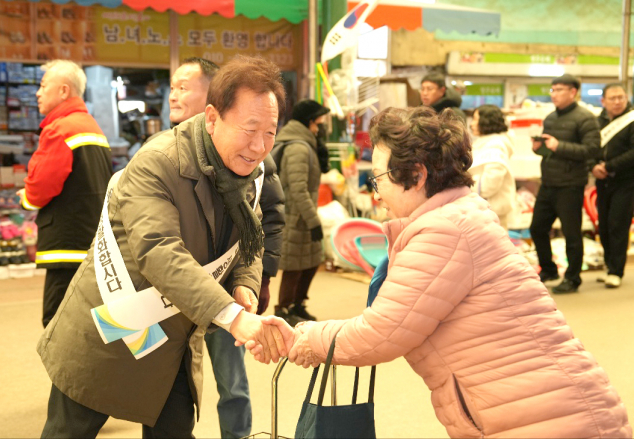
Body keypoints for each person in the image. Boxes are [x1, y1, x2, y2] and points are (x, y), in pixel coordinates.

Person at [266, 106, 631, 439]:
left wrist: (307, 338)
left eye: (379, 179)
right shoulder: (456, 216)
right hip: (539, 412)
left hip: (551, 420)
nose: (376, 194)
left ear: (416, 175)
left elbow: (381, 332)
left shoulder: (445, 231)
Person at [37, 55, 293, 439]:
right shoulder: (158, 162)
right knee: (68, 432)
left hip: (173, 340)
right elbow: (159, 251)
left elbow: (251, 237)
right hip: (111, 327)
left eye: (270, 132)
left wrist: (245, 283)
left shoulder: (249, 171)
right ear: (212, 118)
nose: (259, 147)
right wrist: (234, 317)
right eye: (249, 129)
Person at [153, 57, 285, 439]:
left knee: (232, 383)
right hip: (171, 300)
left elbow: (263, 222)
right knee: (166, 389)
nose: (174, 95)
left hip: (228, 293)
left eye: (184, 87)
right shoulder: (162, 156)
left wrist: (255, 279)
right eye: (172, 87)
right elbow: (157, 247)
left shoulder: (253, 156)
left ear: (212, 102)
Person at [17, 60, 113, 327]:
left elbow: (40, 188)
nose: (38, 93)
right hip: (91, 240)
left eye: (43, 86)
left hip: (66, 244)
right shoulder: (92, 126)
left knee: (56, 323)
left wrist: (25, 198)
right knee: (92, 321)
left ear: (63, 91)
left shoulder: (60, 129)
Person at [530, 74, 600, 294]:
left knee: (571, 234)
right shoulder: (550, 118)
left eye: (560, 90)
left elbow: (591, 150)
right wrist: (539, 148)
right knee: (537, 228)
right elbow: (549, 150)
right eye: (552, 90)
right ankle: (549, 269)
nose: (554, 94)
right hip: (548, 182)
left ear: (573, 92)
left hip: (570, 184)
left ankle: (573, 278)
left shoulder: (586, 118)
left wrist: (558, 145)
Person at [272, 99, 329, 325]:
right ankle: (283, 309)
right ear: (309, 121)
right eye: (318, 123)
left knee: (311, 261)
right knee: (294, 266)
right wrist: (313, 220)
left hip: (304, 214)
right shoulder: (298, 147)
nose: (320, 127)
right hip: (295, 216)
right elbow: (298, 188)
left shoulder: (306, 143)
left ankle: (298, 304)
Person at [592, 83, 634, 288]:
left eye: (621, 97)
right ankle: (609, 266)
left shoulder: (631, 119)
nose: (617, 102)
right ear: (603, 101)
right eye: (612, 98)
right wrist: (593, 166)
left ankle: (616, 271)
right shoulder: (597, 122)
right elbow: (590, 147)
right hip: (602, 181)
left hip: (626, 180)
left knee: (618, 224)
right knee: (604, 224)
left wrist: (608, 166)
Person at [469, 105, 517, 229]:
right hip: (483, 209)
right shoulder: (485, 142)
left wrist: (465, 184)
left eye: (475, 119)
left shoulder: (495, 145)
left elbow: (490, 183)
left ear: (486, 121)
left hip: (492, 211)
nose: (472, 124)